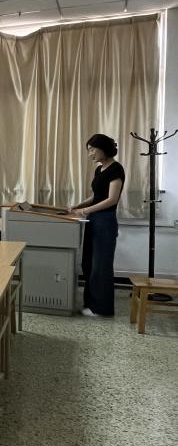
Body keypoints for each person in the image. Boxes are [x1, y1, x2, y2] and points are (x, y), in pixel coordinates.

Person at [69, 134, 125, 317]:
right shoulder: (99, 169)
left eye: (92, 149)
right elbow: (96, 196)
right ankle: (91, 304)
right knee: (89, 263)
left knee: (101, 265)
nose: (90, 154)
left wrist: (85, 211)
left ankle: (102, 309)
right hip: (94, 219)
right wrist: (77, 206)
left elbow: (112, 199)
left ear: (104, 148)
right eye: (89, 150)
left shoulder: (116, 169)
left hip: (106, 221)